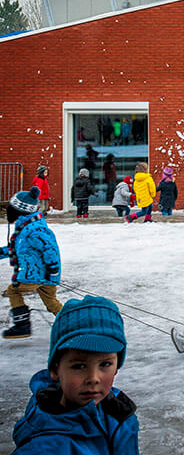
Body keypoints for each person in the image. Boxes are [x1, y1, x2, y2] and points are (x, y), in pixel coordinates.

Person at [10, 295, 137, 454]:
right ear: (55, 370)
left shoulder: (118, 411)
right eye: (79, 366)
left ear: (117, 366)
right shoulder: (48, 446)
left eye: (105, 364)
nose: (93, 378)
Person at [2, 187, 62, 339]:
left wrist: (52, 269)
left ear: (20, 210)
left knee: (13, 291)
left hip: (36, 274)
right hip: (43, 275)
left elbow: (50, 249)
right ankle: (72, 322)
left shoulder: (34, 229)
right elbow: (15, 248)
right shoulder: (26, 227)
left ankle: (22, 325)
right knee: (52, 303)